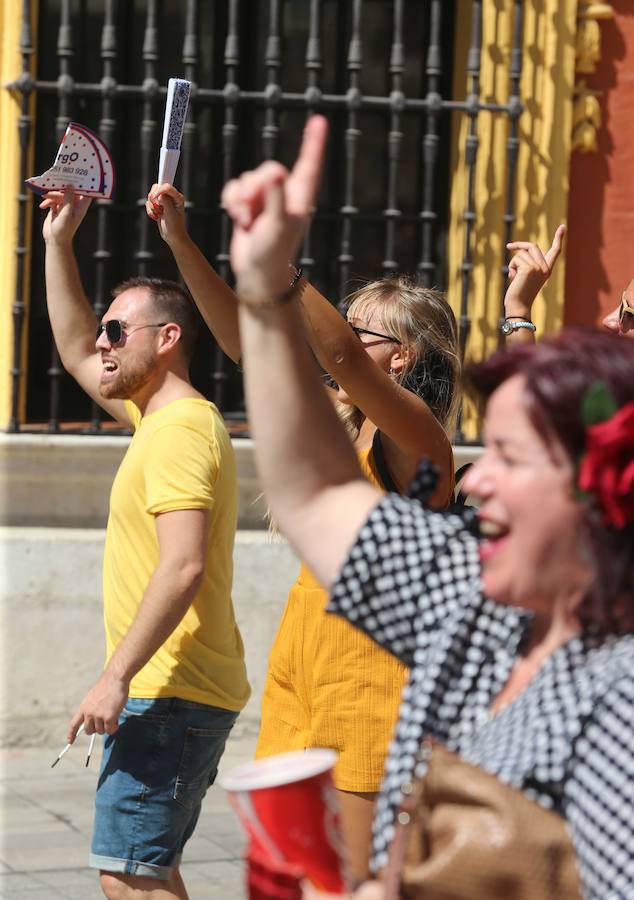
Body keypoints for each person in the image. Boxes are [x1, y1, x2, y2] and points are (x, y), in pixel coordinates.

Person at [220, 116, 634, 898]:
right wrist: (262, 277)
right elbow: (313, 492)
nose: (471, 481)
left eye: (509, 458)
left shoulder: (618, 701)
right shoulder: (461, 598)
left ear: (593, 487)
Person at [145, 174, 561, 881]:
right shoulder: (342, 426)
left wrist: (284, 269)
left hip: (372, 698)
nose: (335, 334)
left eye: (357, 324)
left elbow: (336, 352)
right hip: (303, 681)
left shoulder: (419, 441)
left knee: (353, 887)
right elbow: (246, 343)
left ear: (402, 357)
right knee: (290, 883)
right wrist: (182, 242)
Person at [40, 186, 250, 900]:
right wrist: (58, 243)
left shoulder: (182, 430)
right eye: (104, 329)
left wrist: (115, 676)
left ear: (166, 339)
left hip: (169, 693)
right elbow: (73, 352)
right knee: (147, 868)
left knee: (128, 878)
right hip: (176, 693)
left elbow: (184, 564)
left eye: (116, 331)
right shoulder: (158, 422)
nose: (102, 341)